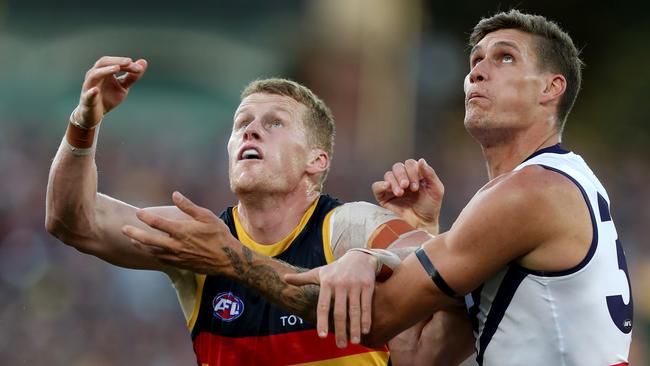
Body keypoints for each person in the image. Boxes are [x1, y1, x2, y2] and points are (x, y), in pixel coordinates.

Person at [123, 9, 633, 365]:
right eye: (475, 59)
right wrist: (412, 238)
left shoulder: (530, 193)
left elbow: (373, 323)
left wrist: (226, 257)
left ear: (551, 88)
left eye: (504, 58)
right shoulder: (539, 188)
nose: (477, 70)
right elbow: (416, 357)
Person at [45, 57, 450, 365]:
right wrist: (84, 122)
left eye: (274, 123)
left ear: (317, 160)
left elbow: (439, 261)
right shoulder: (198, 237)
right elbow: (73, 221)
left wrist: (373, 255)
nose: (250, 131)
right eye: (242, 123)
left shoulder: (348, 227)